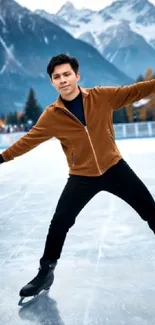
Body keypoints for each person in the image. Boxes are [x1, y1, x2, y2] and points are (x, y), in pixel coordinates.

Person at [0, 54, 155, 303]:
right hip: (81, 176)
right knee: (60, 221)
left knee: (150, 210)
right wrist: (2, 158)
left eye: (66, 74)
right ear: (52, 82)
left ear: (77, 76)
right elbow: (27, 141)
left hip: (114, 167)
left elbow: (135, 91)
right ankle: (45, 273)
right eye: (57, 77)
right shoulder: (52, 115)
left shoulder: (100, 97)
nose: (63, 80)